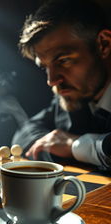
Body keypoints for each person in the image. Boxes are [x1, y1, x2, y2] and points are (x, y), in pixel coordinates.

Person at [12, 0, 111, 170]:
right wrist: (54, 147)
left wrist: (75, 146)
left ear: (103, 44)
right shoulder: (71, 95)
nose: (51, 81)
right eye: (44, 67)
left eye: (63, 61)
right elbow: (25, 134)